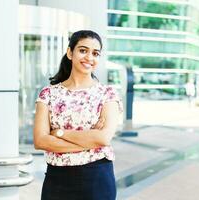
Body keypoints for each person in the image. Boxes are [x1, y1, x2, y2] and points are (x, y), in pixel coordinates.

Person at [33, 30, 123, 200]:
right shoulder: (48, 94)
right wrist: (90, 140)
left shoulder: (107, 94)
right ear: (70, 53)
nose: (89, 57)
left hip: (97, 177)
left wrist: (59, 133)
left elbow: (103, 138)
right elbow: (40, 141)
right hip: (57, 180)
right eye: (83, 50)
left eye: (95, 53)